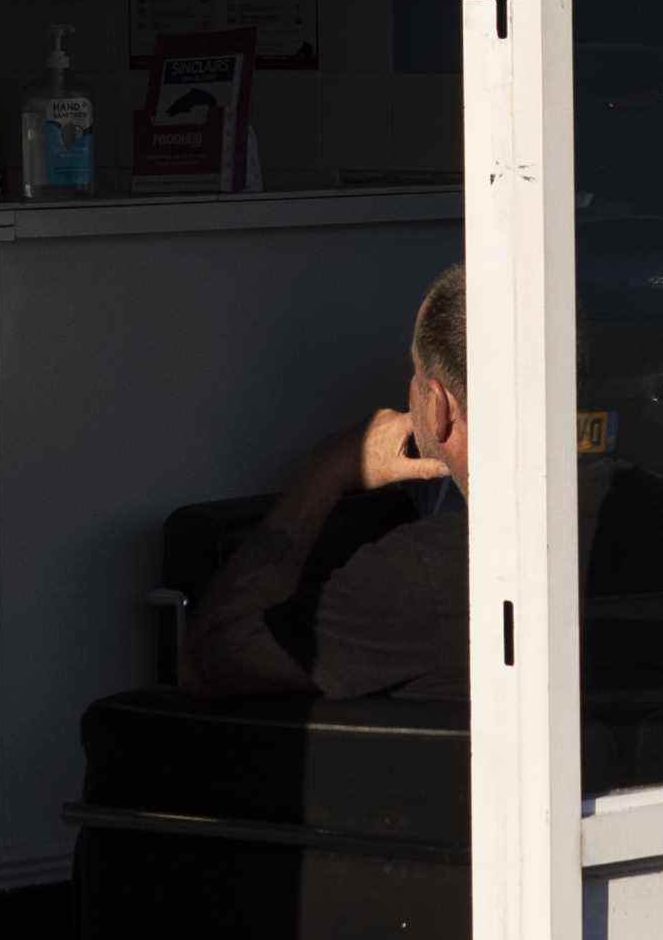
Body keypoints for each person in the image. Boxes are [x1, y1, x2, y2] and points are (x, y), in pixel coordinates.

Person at [181, 266, 472, 700]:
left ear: (440, 407)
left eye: (415, 377)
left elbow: (215, 656)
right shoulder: (602, 517)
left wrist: (327, 472)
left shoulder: (433, 571)